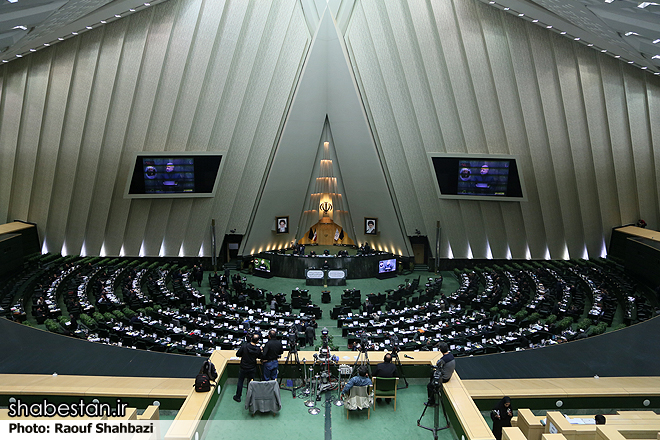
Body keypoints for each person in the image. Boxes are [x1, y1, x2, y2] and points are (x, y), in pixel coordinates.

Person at [233, 333, 262, 403]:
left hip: (243, 367)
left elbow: (238, 354)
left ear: (251, 339)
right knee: (251, 383)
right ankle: (250, 397)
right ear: (258, 341)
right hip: (252, 368)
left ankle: (238, 396)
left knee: (240, 382)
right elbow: (260, 356)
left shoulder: (244, 346)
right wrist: (260, 350)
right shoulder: (258, 349)